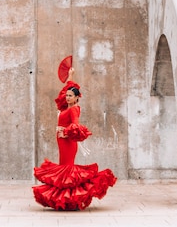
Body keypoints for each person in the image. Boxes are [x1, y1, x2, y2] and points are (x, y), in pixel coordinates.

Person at [32, 67, 117, 211]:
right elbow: (67, 92)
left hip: (67, 142)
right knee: (64, 167)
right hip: (62, 141)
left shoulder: (73, 109)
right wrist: (70, 77)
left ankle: (70, 199)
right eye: (67, 96)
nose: (67, 98)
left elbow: (75, 125)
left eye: (70, 96)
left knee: (67, 168)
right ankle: (67, 199)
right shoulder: (67, 107)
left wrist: (66, 132)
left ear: (77, 97)